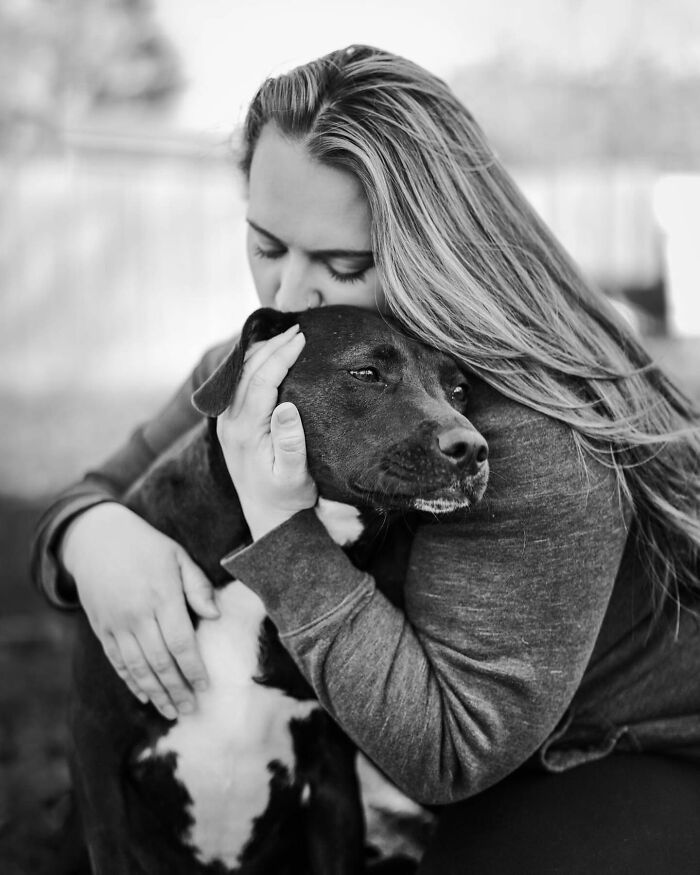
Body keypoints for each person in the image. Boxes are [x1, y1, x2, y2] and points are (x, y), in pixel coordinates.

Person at [31, 45, 700, 872]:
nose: (287, 295)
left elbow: (451, 750)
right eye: (266, 244)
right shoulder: (272, 354)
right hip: (416, 744)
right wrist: (92, 537)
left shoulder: (535, 439)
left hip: (612, 750)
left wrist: (281, 528)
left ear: (438, 250)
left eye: (343, 264)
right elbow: (95, 487)